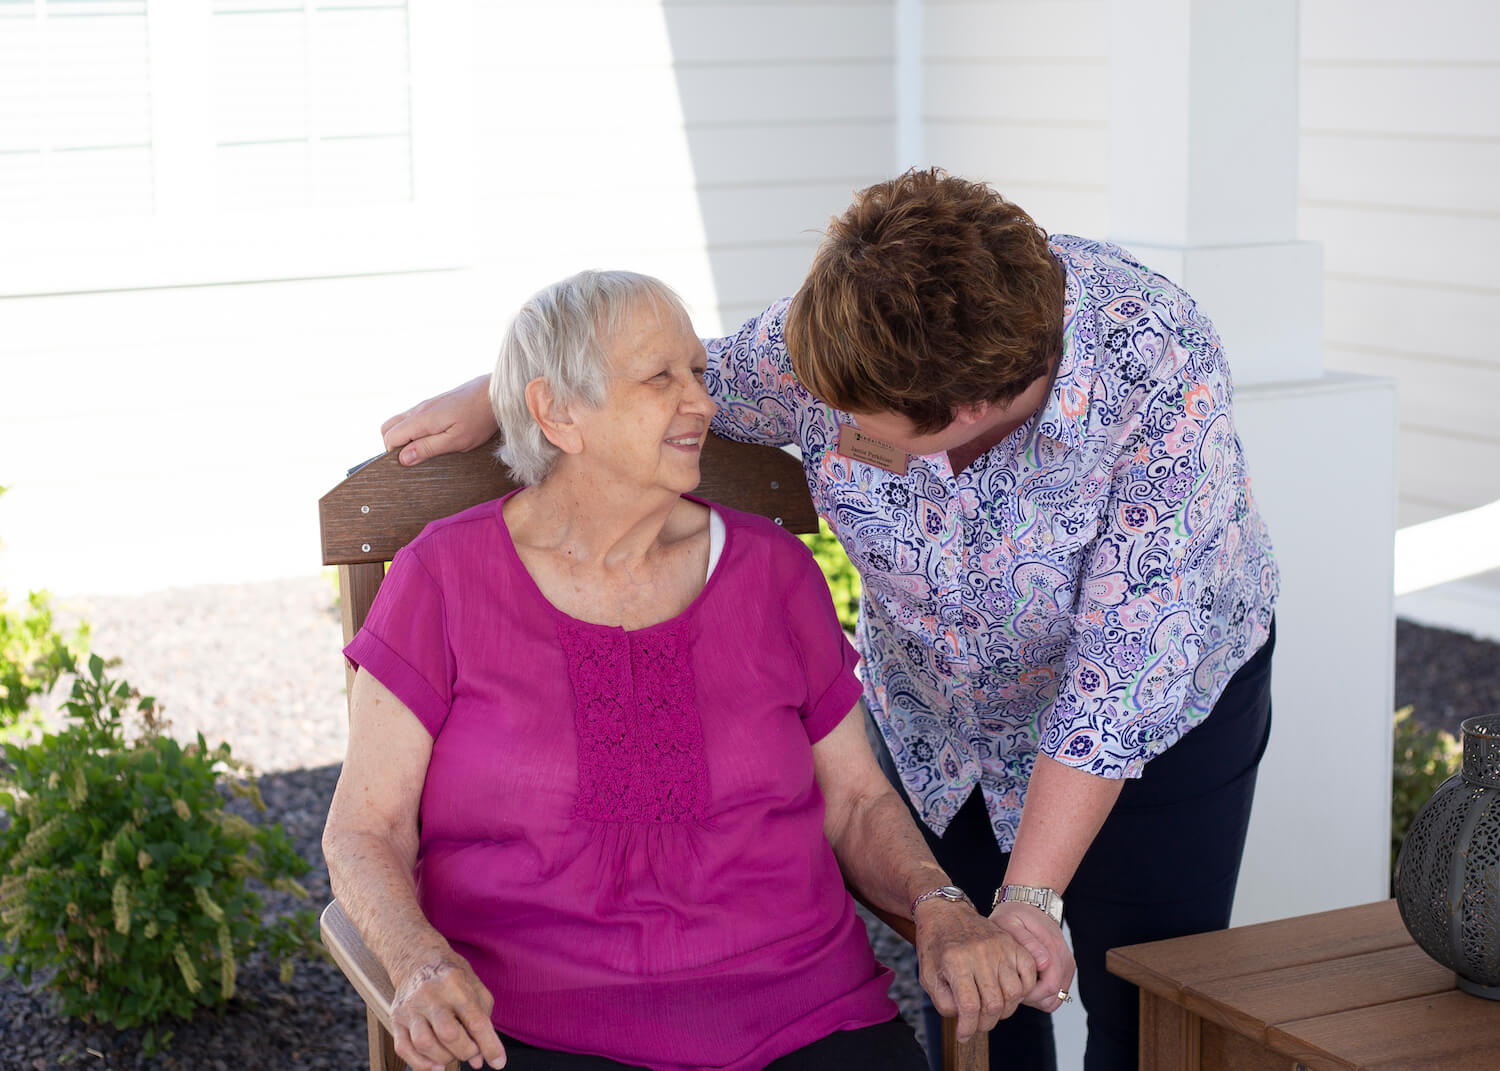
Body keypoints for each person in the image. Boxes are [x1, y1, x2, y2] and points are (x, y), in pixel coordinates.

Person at [378, 170, 1279, 1071]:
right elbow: (665, 386)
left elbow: (1115, 678)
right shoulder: (841, 340)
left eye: (853, 418)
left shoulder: (1159, 370)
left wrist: (1033, 895)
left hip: (1153, 715)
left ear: (961, 415)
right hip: (946, 717)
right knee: (981, 1002)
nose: (823, 416)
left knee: (1146, 1010)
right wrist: (505, 393)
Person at [322, 268, 1042, 1071]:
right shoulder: (443, 580)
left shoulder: (772, 572)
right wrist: (420, 961)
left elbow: (857, 800)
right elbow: (363, 828)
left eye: (698, 373)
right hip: (535, 1025)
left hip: (802, 1016)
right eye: (661, 377)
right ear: (557, 412)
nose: (702, 401)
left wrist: (937, 901)